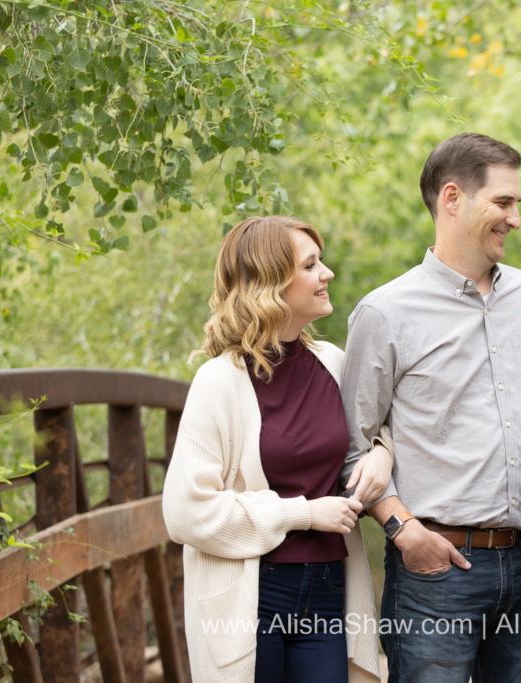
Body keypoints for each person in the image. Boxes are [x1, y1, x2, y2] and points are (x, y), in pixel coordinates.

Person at [339, 132, 521, 683]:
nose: (515, 219)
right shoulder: (384, 313)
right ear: (452, 199)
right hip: (432, 569)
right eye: (503, 202)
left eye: (517, 203)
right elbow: (351, 445)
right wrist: (403, 531)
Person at [162, 216, 391, 683]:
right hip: (250, 592)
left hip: (328, 587)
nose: (327, 273)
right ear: (270, 284)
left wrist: (382, 453)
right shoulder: (219, 381)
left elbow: (377, 431)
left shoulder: (333, 363)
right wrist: (302, 514)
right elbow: (185, 511)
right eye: (311, 265)